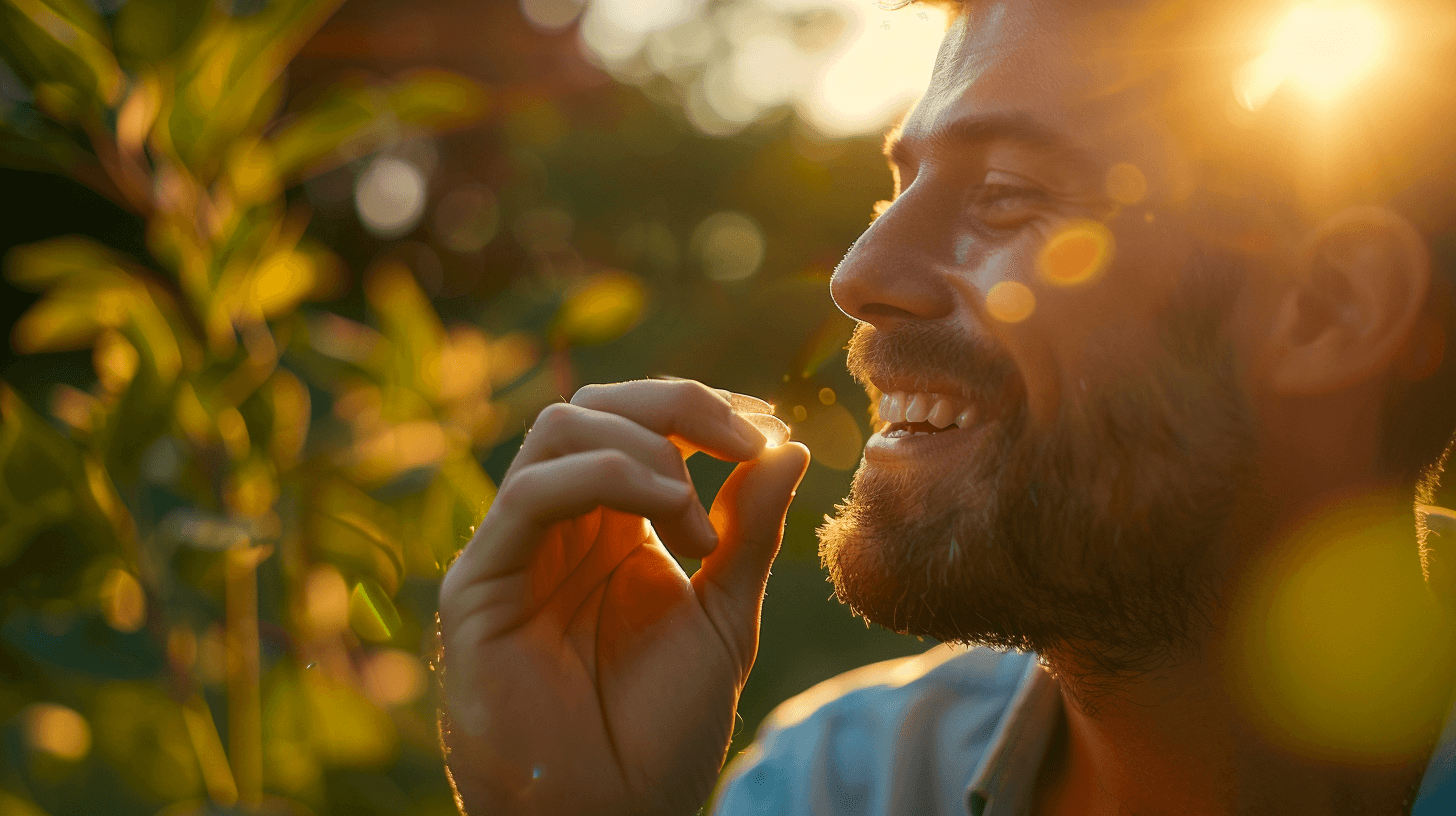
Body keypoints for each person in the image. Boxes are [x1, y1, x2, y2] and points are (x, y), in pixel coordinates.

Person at [436, 0, 1456, 813]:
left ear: (1329, 310)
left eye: (1007, 194)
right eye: (898, 186)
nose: (860, 271)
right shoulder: (839, 784)